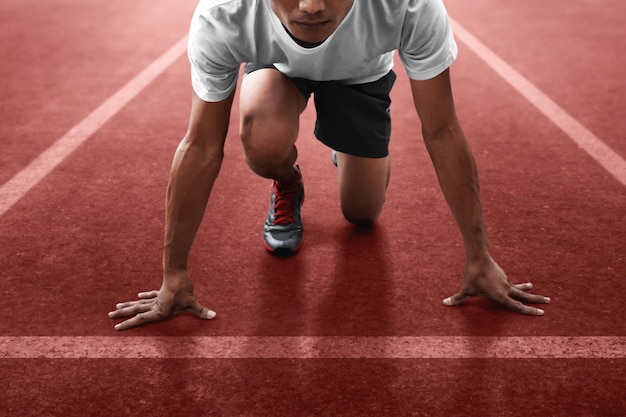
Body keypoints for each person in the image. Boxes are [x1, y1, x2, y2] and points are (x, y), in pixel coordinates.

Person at [109, 0, 550, 331]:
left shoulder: (408, 5)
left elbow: (442, 131)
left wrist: (479, 257)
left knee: (361, 214)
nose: (312, 6)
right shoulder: (224, 13)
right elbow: (202, 147)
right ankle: (288, 181)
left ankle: (352, 149)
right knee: (262, 140)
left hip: (360, 75)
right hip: (279, 70)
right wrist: (174, 272)